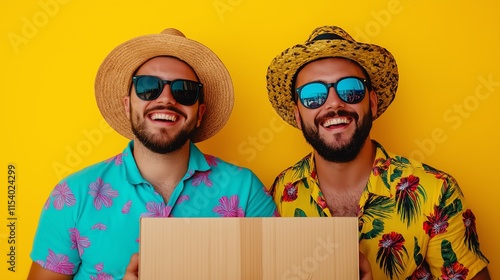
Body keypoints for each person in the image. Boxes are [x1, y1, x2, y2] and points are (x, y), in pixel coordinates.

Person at [27, 27, 278, 279]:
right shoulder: (73, 195)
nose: (167, 99)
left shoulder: (244, 191)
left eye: (184, 90)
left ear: (200, 113)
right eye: (148, 87)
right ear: (127, 105)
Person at [266, 25, 490, 279]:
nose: (334, 103)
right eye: (313, 95)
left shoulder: (436, 192)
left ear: (371, 103)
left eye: (350, 89)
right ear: (298, 115)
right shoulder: (282, 194)